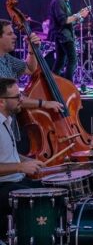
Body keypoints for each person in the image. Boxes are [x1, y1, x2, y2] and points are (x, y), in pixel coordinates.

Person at [0, 78, 46, 244]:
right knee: (44, 199)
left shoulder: (7, 120)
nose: (21, 100)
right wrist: (20, 167)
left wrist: (31, 161)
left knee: (54, 188)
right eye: (17, 97)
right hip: (3, 187)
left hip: (15, 181)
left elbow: (9, 155)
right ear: (1, 101)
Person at [0, 20, 62, 112]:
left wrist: (32, 50)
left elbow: (29, 69)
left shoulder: (6, 57)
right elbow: (10, 98)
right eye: (10, 34)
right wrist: (43, 103)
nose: (15, 36)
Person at [48, 0, 90, 82]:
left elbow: (69, 21)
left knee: (60, 61)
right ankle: (69, 85)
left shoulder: (64, 1)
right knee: (72, 60)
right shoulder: (58, 1)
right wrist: (79, 15)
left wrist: (80, 17)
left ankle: (52, 84)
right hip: (64, 36)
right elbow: (63, 20)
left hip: (63, 35)